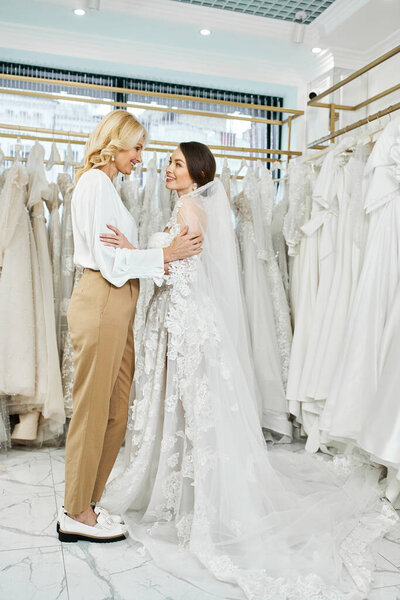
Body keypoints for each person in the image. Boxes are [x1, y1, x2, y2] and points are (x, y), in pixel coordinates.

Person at [100, 142, 395, 598]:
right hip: (181, 322)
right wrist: (138, 251)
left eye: (176, 163)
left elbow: (188, 270)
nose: (167, 169)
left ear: (196, 173)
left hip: (188, 324)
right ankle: (183, 492)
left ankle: (196, 502)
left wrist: (146, 260)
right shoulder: (187, 204)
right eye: (168, 163)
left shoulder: (190, 207)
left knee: (194, 412)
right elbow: (178, 258)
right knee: (187, 411)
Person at [57, 112, 204, 544]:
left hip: (116, 301)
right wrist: (167, 254)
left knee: (117, 410)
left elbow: (119, 256)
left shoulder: (106, 187)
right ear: (116, 143)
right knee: (94, 409)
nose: (142, 158)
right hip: (102, 297)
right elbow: (109, 263)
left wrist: (144, 251)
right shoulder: (95, 185)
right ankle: (76, 510)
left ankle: (88, 501)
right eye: (137, 148)